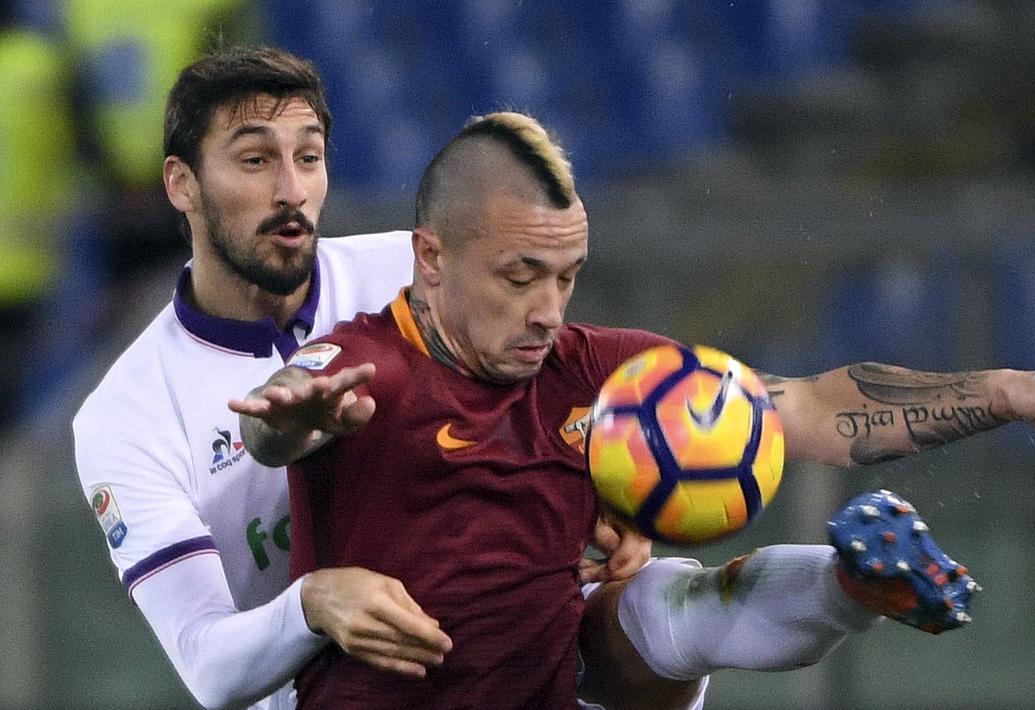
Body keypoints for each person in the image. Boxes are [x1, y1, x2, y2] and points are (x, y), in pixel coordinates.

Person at [231, 111, 1035, 709]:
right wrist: (292, 417)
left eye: (566, 276)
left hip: (565, 686)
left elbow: (807, 406)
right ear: (430, 260)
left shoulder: (597, 374)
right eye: (519, 277)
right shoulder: (367, 366)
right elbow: (275, 419)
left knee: (652, 596)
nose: (546, 310)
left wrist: (1011, 393)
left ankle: (853, 586)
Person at [73, 47, 648, 710]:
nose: (290, 189)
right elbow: (210, 669)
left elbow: (548, 395)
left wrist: (607, 500)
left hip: (508, 672)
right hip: (328, 697)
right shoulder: (127, 414)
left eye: (309, 157)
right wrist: (312, 604)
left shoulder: (414, 273)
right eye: (255, 160)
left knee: (663, 602)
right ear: (182, 184)